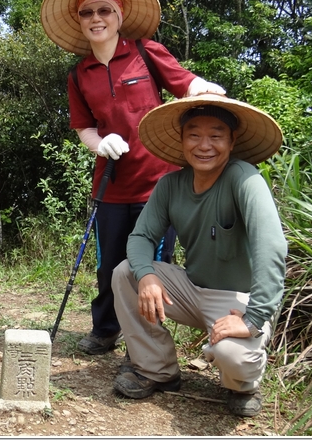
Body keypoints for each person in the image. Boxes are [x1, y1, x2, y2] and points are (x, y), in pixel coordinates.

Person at [40, 0, 226, 356]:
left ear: (119, 16)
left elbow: (183, 82)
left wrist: (203, 89)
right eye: (87, 12)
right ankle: (105, 329)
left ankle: (144, 346)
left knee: (151, 268)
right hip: (109, 184)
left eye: (104, 10)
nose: (96, 18)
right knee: (109, 265)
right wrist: (99, 143)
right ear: (80, 20)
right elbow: (83, 127)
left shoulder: (144, 51)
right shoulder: (79, 73)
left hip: (159, 183)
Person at [110, 94, 287, 418]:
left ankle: (242, 386)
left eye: (216, 135)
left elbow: (270, 245)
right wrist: (147, 276)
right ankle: (157, 369)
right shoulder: (170, 185)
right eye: (194, 134)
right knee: (126, 273)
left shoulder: (244, 178)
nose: (204, 145)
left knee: (237, 359)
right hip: (192, 290)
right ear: (182, 140)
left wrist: (254, 317)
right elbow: (140, 237)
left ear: (232, 141)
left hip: (238, 300)